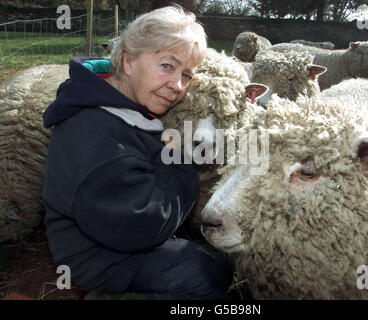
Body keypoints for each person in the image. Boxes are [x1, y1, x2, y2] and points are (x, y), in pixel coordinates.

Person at [42, 6, 233, 299]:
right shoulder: (96, 133)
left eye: (186, 75)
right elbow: (143, 223)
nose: (177, 86)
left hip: (112, 230)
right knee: (208, 273)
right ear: (129, 62)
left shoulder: (124, 104)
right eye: (167, 66)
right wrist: (179, 166)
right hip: (100, 256)